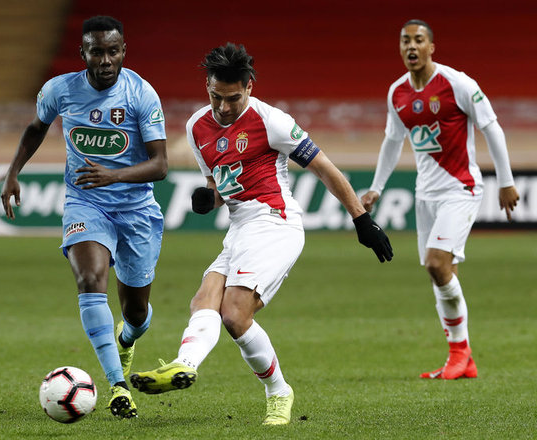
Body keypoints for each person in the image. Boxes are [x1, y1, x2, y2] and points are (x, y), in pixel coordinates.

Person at [130, 43, 393, 425]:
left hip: (275, 222)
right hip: (239, 227)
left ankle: (278, 392)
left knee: (235, 313)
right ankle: (184, 364)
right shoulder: (196, 127)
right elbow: (219, 186)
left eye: (232, 98)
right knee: (204, 300)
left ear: (249, 87)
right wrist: (209, 199)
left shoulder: (272, 121)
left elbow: (325, 169)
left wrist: (361, 220)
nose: (223, 107)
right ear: (207, 86)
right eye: (216, 97)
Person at [0, 15, 168, 418]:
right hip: (85, 202)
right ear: (83, 53)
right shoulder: (60, 90)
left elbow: (160, 165)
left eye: (113, 51)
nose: (105, 60)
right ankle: (118, 386)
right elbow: (36, 128)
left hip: (136, 209)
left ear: (123, 51)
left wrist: (113, 175)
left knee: (136, 313)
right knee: (90, 279)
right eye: (97, 52)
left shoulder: (141, 94)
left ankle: (127, 339)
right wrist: (13, 172)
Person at [361, 20, 519, 380]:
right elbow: (392, 141)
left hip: (460, 188)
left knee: (436, 264)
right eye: (405, 41)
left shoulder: (457, 84)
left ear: (431, 47)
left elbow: (491, 127)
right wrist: (377, 187)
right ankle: (461, 360)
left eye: (418, 40)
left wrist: (506, 182)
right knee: (442, 274)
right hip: (425, 195)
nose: (411, 46)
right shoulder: (397, 93)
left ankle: (460, 351)